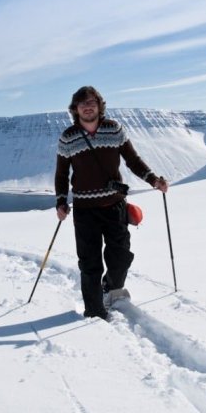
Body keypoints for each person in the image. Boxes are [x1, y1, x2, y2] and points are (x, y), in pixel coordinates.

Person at [55, 86, 168, 320]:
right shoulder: (68, 137)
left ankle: (109, 287)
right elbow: (61, 174)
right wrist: (60, 201)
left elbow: (133, 160)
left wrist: (153, 180)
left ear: (99, 105)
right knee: (90, 263)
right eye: (83, 103)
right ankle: (95, 312)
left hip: (114, 206)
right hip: (85, 211)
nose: (88, 106)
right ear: (75, 109)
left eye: (92, 102)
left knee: (121, 257)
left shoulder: (114, 129)